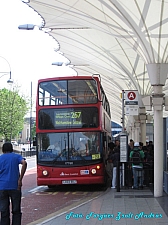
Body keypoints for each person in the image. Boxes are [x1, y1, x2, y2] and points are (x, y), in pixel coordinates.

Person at [0, 142, 27, 225]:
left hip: (2, 187)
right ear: (11, 148)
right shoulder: (16, 156)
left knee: (4, 210)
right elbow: (24, 163)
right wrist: (20, 179)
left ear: (3, 149)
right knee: (16, 210)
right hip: (15, 186)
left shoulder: (0, 158)